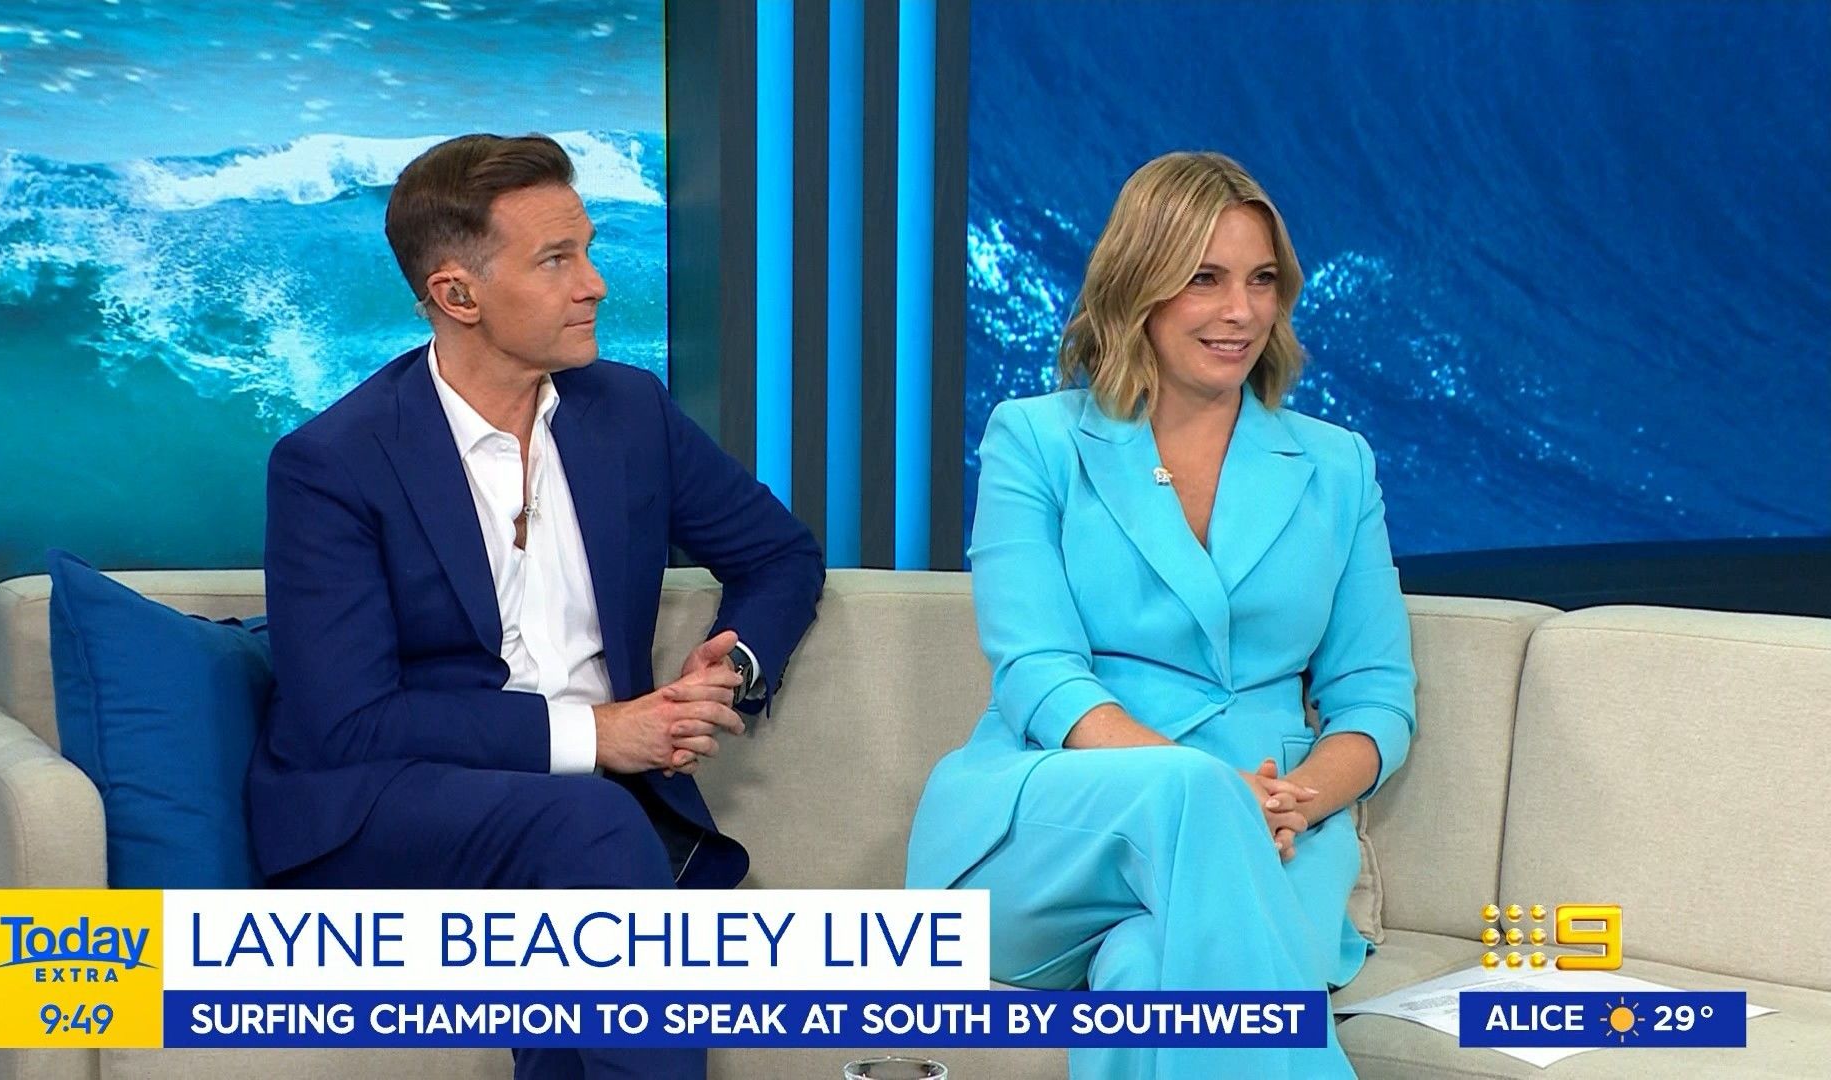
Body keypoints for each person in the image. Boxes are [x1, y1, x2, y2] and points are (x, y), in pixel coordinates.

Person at [247, 132, 825, 1080]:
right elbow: (347, 724)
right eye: (557, 261)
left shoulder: (628, 412)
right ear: (457, 295)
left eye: (588, 251)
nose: (595, 285)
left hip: (582, 819)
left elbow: (778, 554)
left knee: (590, 854)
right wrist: (599, 735)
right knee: (591, 826)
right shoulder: (333, 464)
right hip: (383, 806)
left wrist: (731, 666)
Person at [905, 151, 1417, 1079]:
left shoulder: (1337, 466)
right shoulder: (1037, 440)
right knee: (1189, 791)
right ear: (1139, 286)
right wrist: (1215, 791)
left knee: (1146, 976)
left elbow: (1375, 696)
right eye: (1205, 279)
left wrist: (1292, 801)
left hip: (1274, 833)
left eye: (1262, 280)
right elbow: (1038, 673)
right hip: (1057, 829)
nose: (1242, 311)